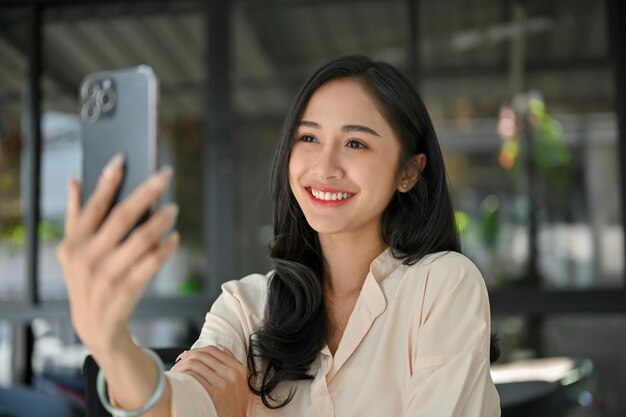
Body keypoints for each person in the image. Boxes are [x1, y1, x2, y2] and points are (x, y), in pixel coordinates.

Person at [57, 55, 501, 417]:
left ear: (409, 171)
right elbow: (176, 406)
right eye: (308, 137)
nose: (324, 166)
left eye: (356, 143)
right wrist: (110, 342)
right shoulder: (246, 308)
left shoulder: (442, 286)